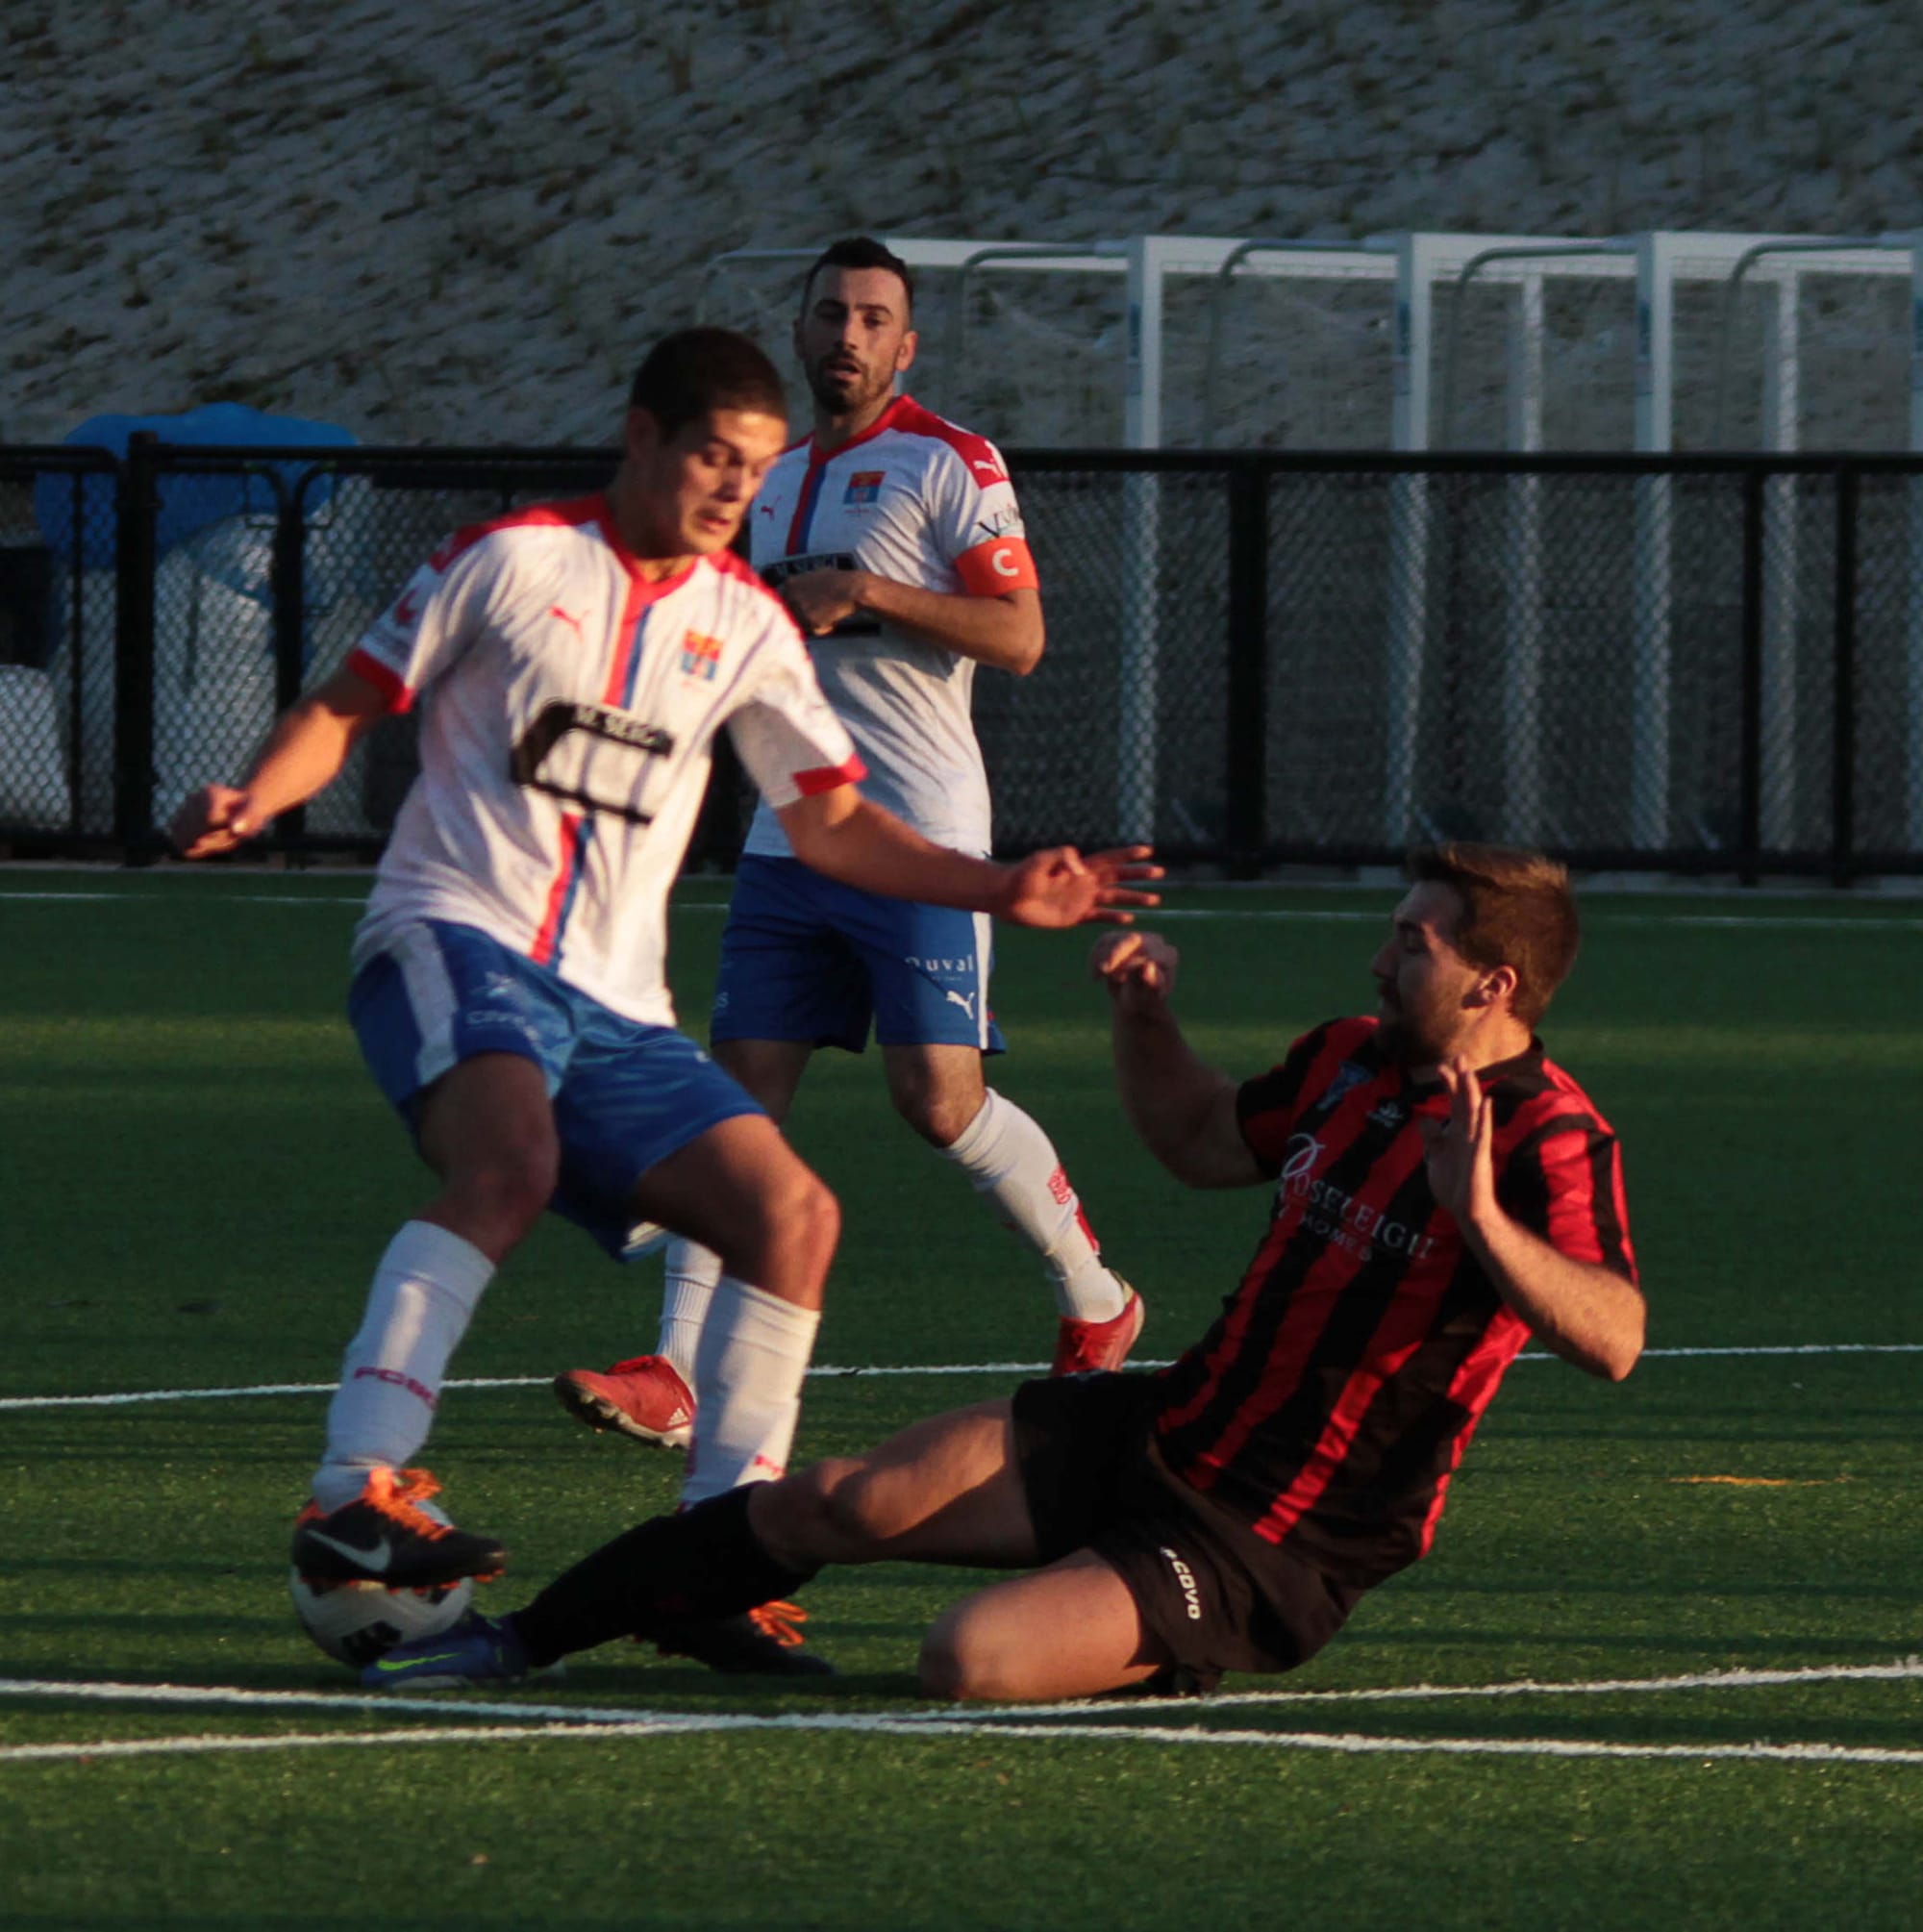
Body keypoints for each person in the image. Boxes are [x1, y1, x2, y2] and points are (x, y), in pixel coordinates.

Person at [169, 326, 1156, 1675]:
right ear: (641, 438)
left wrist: (999, 889)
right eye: (709, 457)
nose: (728, 492)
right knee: (507, 1161)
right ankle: (358, 1488)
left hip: (614, 1007)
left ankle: (714, 1564)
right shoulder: (512, 560)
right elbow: (350, 704)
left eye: (752, 473)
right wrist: (255, 796)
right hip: (453, 940)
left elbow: (838, 827)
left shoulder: (742, 624)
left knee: (793, 1215)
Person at [369, 843, 1643, 1700]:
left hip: (1278, 1538)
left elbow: (1615, 1336)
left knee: (964, 1660)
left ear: (1496, 982)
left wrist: (1478, 1215)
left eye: (1412, 944)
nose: (1381, 959)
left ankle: (1149, 1619)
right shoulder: (1351, 1058)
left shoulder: (1553, 1139)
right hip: (1168, 1425)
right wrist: (1146, 1024)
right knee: (841, 1500)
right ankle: (512, 1639)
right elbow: (1202, 1140)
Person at [554, 239, 1142, 1462]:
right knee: (734, 1105)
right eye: (830, 313)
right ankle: (675, 1373)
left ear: (904, 345)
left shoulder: (949, 461)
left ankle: (1095, 1293)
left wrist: (870, 590)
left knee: (937, 1103)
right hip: (789, 836)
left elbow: (1020, 633)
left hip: (922, 827)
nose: (848, 335)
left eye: (874, 318)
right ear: (799, 328)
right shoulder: (759, 474)